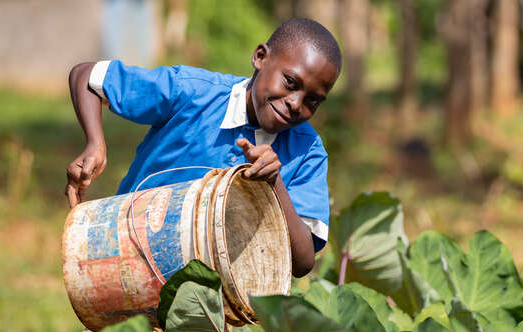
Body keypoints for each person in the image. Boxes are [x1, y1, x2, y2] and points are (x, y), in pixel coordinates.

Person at [66, 18, 341, 279]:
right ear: (260, 57)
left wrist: (275, 182)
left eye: (313, 101)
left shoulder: (307, 151)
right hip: (127, 266)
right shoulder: (192, 94)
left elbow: (303, 262)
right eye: (290, 83)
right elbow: (88, 76)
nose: (295, 103)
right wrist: (95, 144)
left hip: (212, 306)